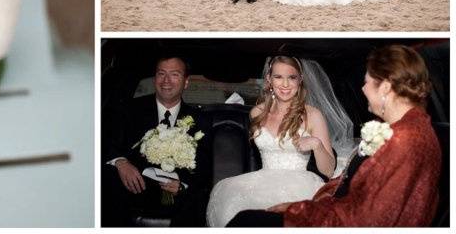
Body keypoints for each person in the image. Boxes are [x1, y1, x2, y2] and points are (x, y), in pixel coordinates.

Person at [228, 45, 441, 227]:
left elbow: (369, 217)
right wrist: (304, 207)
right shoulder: (403, 129)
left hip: (337, 217)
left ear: (384, 87)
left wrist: (299, 210)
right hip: (333, 206)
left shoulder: (405, 140)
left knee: (244, 221)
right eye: (278, 77)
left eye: (366, 81)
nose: (363, 89)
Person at [206, 56, 336, 227]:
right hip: (260, 182)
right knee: (232, 205)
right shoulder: (256, 113)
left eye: (291, 77)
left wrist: (316, 145)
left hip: (299, 186)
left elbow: (328, 171)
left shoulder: (313, 115)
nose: (285, 84)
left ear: (300, 80)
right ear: (269, 79)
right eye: (278, 77)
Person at [102, 56, 211, 227]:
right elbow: (107, 142)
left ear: (186, 82)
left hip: (177, 194)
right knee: (108, 177)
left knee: (197, 197)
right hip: (135, 186)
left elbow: (205, 166)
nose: (166, 81)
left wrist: (182, 185)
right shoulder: (129, 109)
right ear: (155, 79)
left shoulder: (200, 120)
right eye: (161, 74)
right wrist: (121, 162)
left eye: (174, 75)